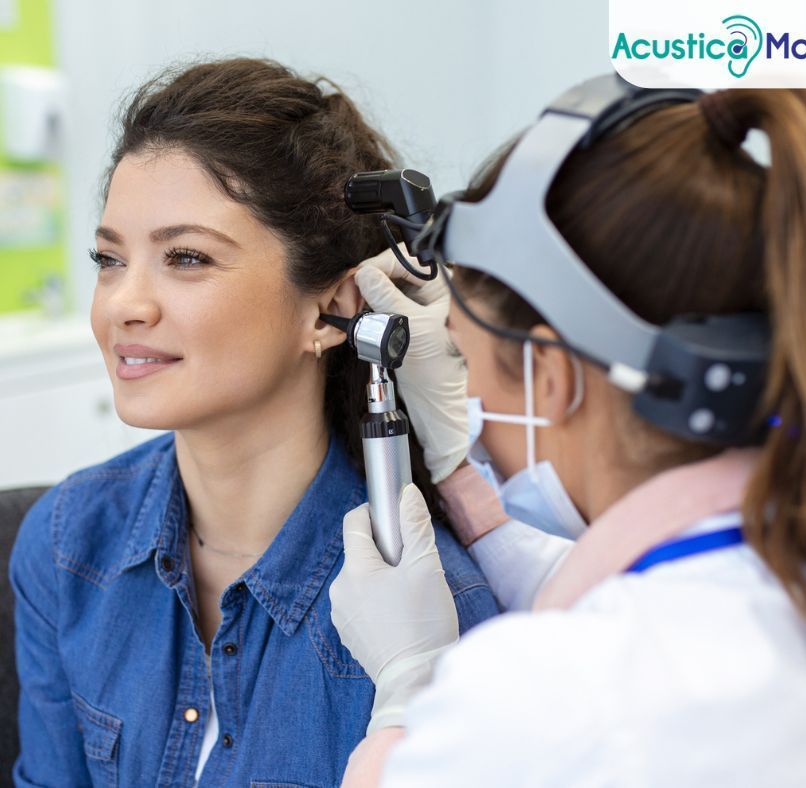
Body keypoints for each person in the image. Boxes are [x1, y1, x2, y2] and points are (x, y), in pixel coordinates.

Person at [329, 77, 806, 786]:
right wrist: (465, 485)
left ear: (551, 376)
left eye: (464, 357)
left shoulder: (549, 700)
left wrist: (408, 692)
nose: (464, 400)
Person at [9, 58, 498, 787]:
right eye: (109, 259)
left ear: (331, 309)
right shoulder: (66, 543)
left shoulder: (428, 614)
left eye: (186, 257)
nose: (123, 305)